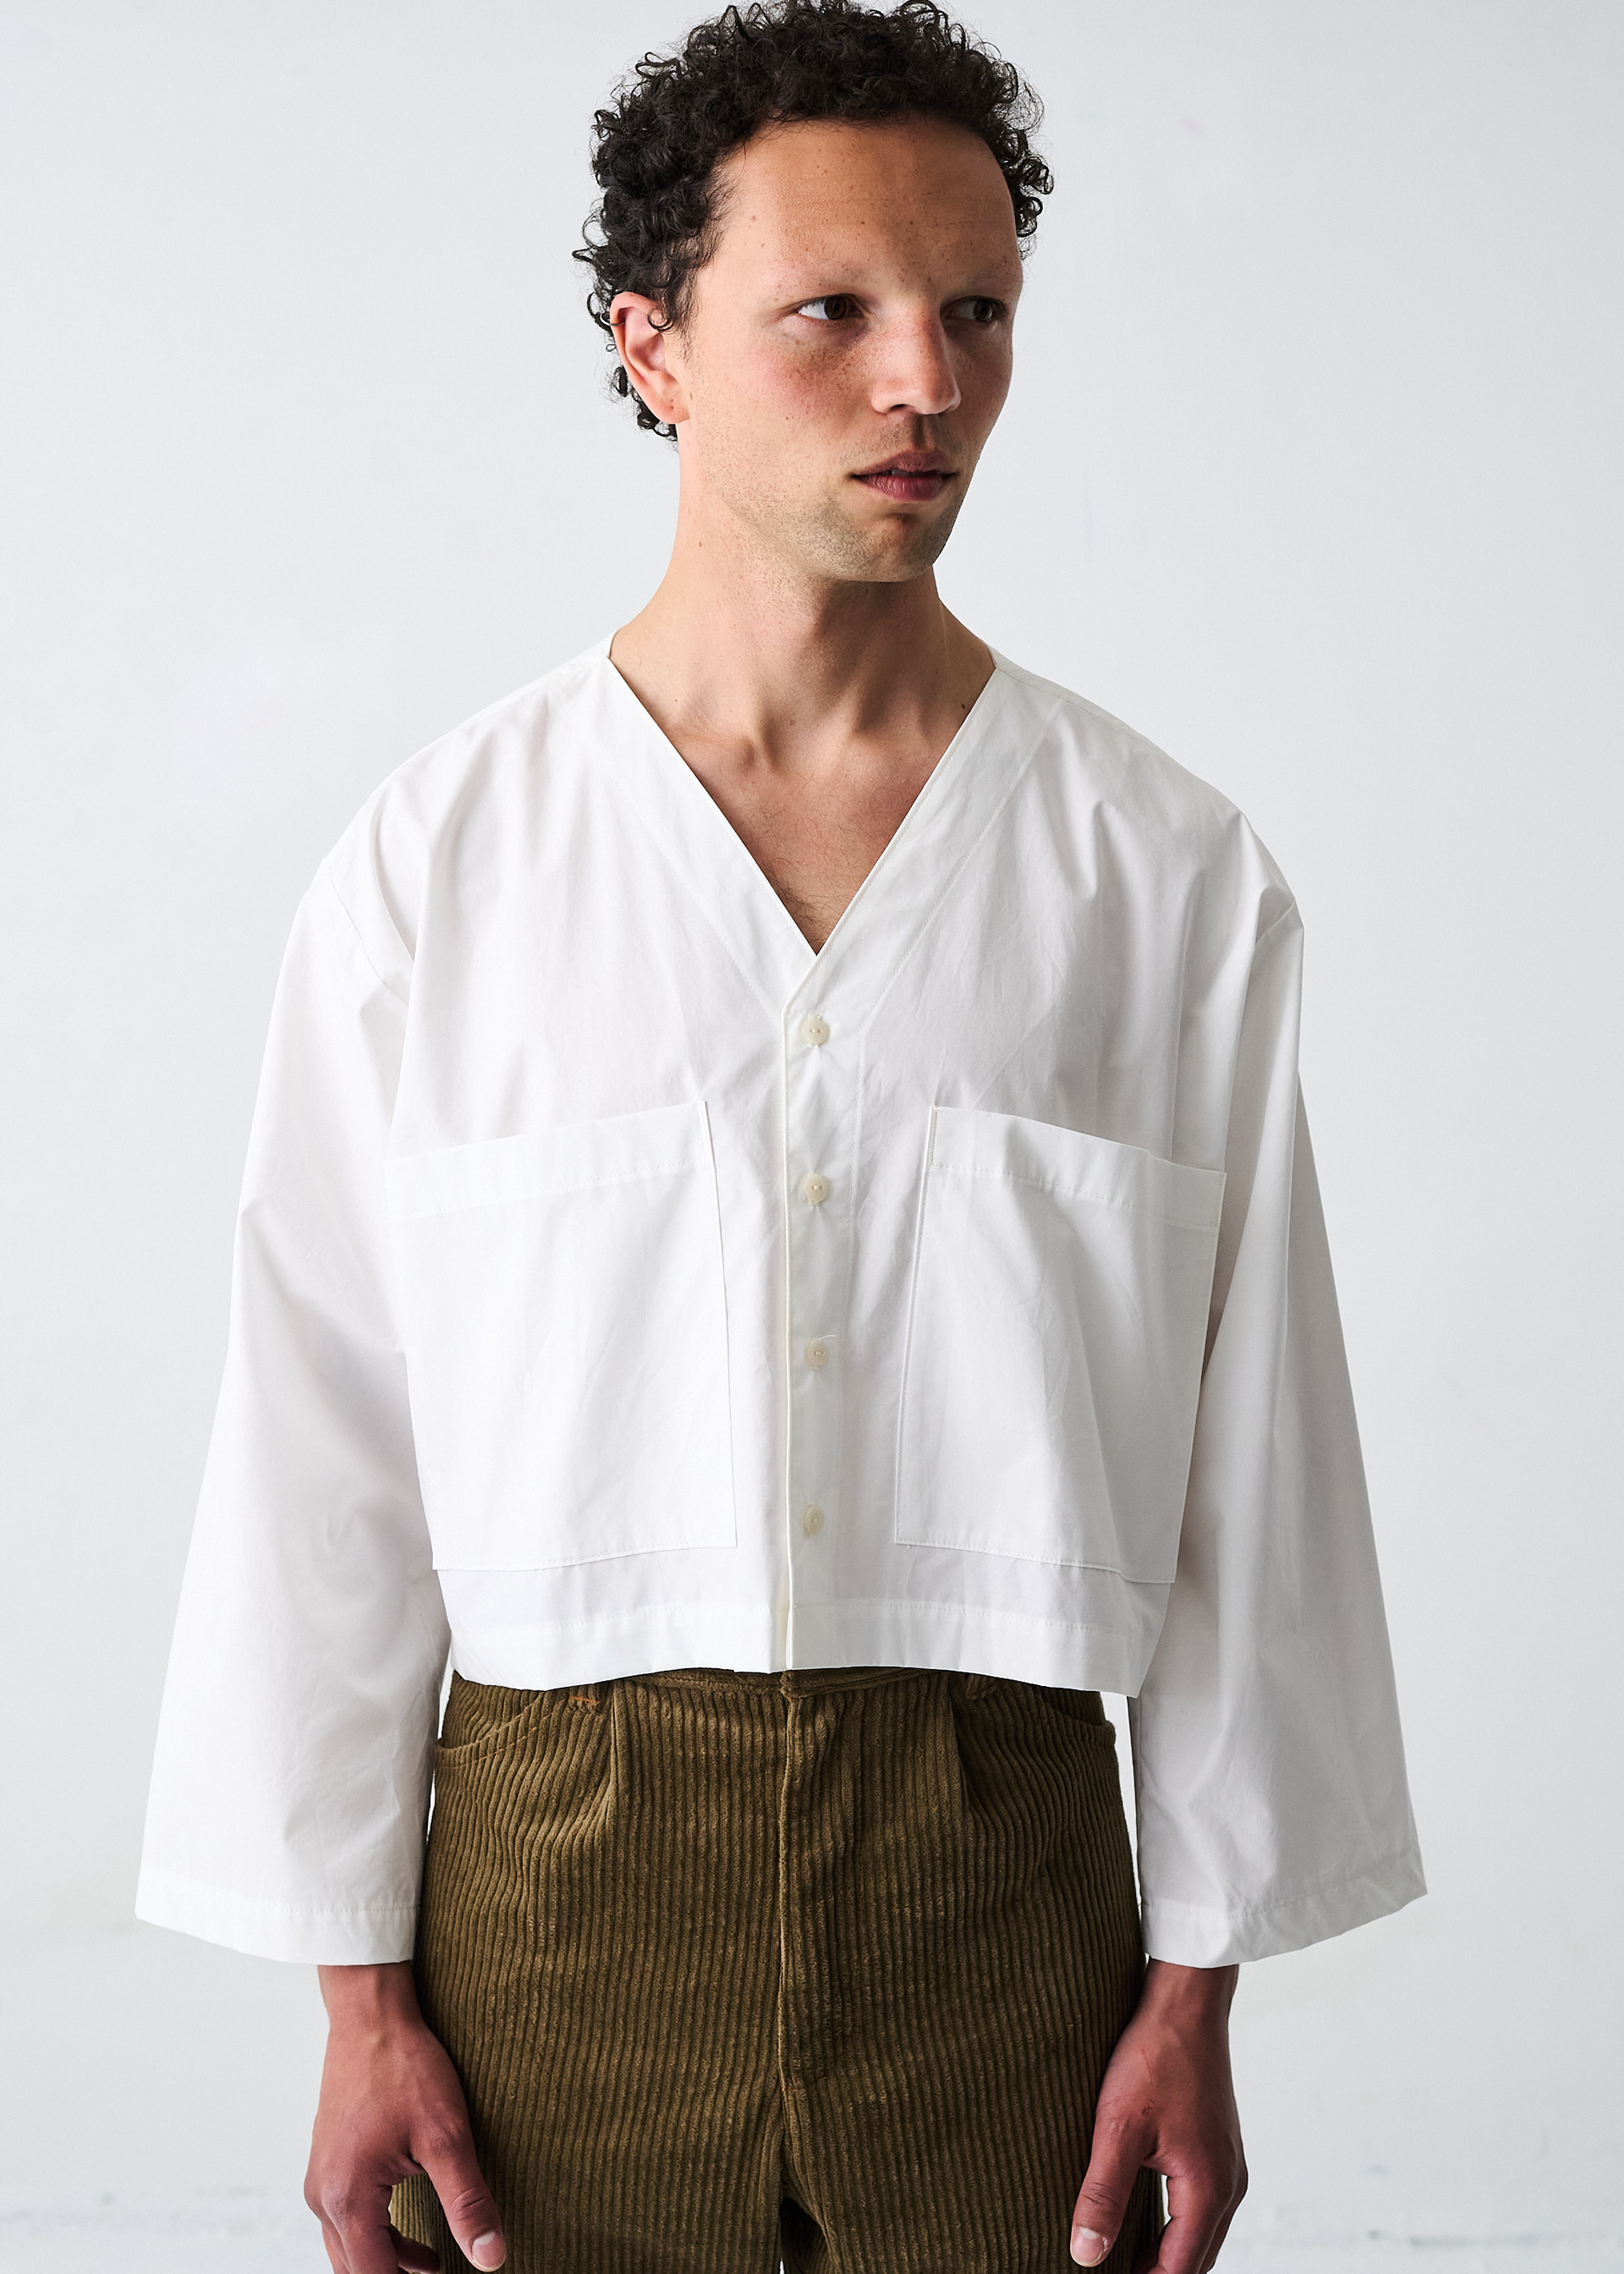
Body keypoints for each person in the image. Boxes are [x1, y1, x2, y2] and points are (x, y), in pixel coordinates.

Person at [136, 4, 1426, 2270]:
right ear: (651, 344)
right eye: (831, 310)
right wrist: (356, 2002)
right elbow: (321, 1445)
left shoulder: (1160, 877)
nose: (926, 380)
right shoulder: (446, 870)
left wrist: (1196, 1988)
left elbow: (1259, 1458)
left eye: (977, 311)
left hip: (1007, 1883)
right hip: (550, 1889)